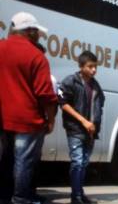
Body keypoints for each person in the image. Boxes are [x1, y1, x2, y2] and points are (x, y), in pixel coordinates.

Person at [0, 12, 58, 204]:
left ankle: (4, 196)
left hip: (3, 118)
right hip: (28, 120)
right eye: (37, 32)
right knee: (23, 161)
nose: (38, 36)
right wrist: (51, 120)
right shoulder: (37, 56)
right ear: (30, 31)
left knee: (5, 159)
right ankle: (21, 198)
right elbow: (45, 95)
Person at [58, 51, 105, 204]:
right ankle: (75, 197)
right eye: (90, 66)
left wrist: (94, 126)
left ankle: (79, 193)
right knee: (77, 161)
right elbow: (63, 103)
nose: (94, 70)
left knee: (84, 163)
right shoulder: (71, 81)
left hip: (90, 132)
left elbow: (99, 107)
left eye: (95, 67)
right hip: (75, 129)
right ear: (81, 66)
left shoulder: (96, 85)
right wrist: (83, 121)